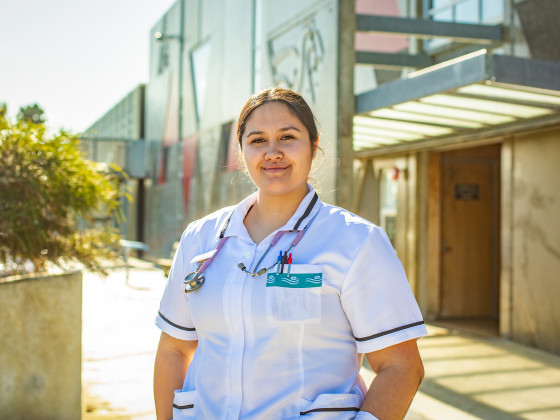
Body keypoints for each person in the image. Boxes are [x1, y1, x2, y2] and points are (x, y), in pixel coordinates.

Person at [154, 87, 427, 420]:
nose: (273, 153)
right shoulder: (200, 237)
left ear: (313, 147)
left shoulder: (357, 241)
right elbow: (174, 349)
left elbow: (401, 367)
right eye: (257, 140)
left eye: (287, 137)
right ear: (241, 152)